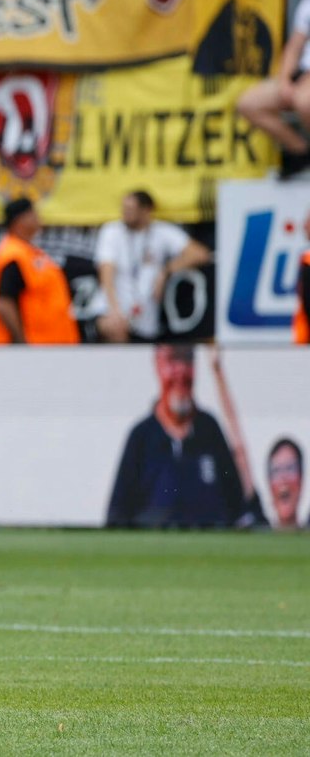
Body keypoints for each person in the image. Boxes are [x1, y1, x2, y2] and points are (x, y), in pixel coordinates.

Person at [106, 345, 263, 528]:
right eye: (173, 360)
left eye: (187, 359)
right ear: (157, 365)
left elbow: (238, 506)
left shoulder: (210, 430)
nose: (181, 370)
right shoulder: (140, 437)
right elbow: (117, 515)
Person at [94, 190, 211, 343]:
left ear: (146, 210)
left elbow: (200, 254)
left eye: (131, 210)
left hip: (145, 319)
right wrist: (114, 311)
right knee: (113, 328)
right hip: (113, 310)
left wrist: (166, 270)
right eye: (124, 209)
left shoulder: (161, 232)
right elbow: (106, 272)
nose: (125, 214)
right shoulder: (112, 231)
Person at [230, 0, 310, 157]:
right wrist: (284, 80)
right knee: (248, 103)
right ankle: (299, 150)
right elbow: (294, 47)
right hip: (301, 76)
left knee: (305, 101)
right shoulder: (306, 6)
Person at [0, 196, 79, 344]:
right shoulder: (13, 256)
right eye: (33, 213)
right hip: (35, 346)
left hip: (54, 344)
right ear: (19, 220)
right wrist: (21, 340)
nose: (38, 217)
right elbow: (3, 303)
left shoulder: (31, 253)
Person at [268, 438, 303, 531]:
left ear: (301, 480)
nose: (283, 477)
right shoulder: (256, 524)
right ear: (270, 485)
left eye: (290, 468)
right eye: (276, 470)